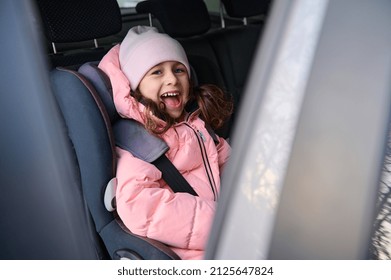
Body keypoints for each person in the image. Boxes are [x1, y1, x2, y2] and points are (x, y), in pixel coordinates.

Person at [98, 25, 232, 260]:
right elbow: (143, 208)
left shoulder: (196, 125)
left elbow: (231, 166)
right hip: (194, 252)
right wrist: (224, 222)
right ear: (136, 85)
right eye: (157, 72)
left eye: (179, 70)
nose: (172, 79)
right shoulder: (137, 142)